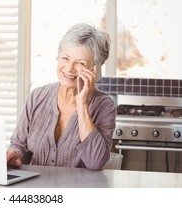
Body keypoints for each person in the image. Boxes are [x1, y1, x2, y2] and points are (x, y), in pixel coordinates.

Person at [7, 23, 116, 170]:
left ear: (94, 70)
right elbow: (19, 145)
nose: (69, 68)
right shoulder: (37, 96)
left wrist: (82, 103)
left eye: (80, 63)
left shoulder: (105, 105)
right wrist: (16, 155)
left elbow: (95, 162)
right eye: (65, 58)